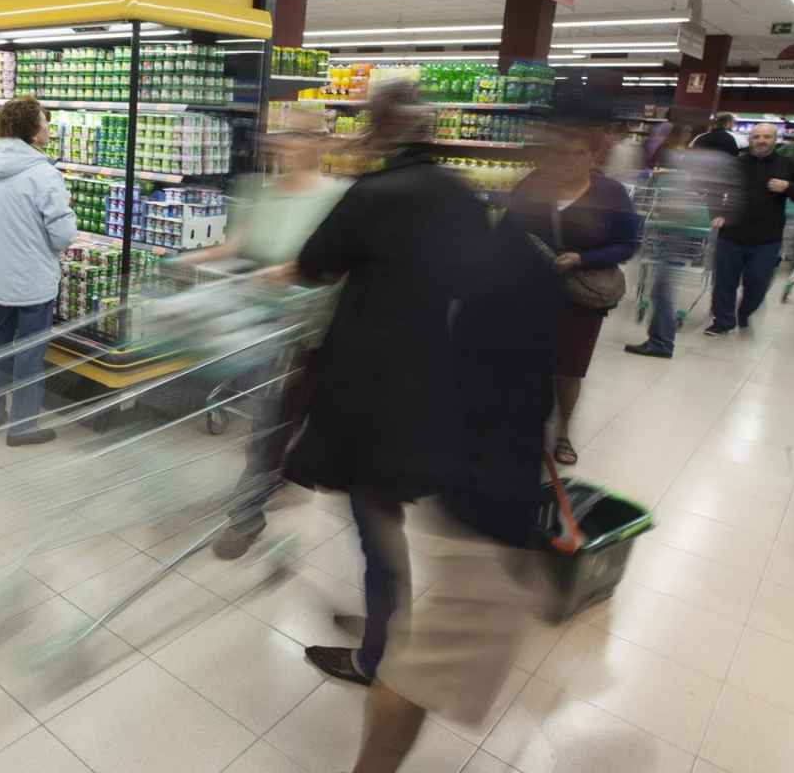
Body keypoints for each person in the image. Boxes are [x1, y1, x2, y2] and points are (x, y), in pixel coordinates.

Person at [285, 82, 492, 687]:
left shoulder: (373, 193)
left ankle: (379, 652)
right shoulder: (463, 193)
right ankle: (384, 617)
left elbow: (315, 263)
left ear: (380, 128)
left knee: (374, 515)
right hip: (434, 375)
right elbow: (478, 278)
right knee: (385, 511)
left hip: (370, 384)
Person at [188, 106, 349, 560]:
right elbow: (236, 244)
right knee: (270, 422)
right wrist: (187, 261)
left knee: (269, 425)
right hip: (255, 325)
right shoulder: (257, 190)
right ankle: (273, 482)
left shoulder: (337, 198)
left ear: (320, 143)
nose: (284, 143)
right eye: (280, 134)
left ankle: (246, 515)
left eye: (297, 135)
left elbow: (341, 260)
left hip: (306, 332)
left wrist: (295, 270)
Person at [505, 126, 640, 464]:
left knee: (569, 369)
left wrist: (584, 258)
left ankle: (563, 431)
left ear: (594, 156)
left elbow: (627, 244)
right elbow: (508, 230)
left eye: (577, 153)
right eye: (560, 152)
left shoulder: (611, 193)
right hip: (529, 290)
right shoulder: (533, 185)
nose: (567, 160)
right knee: (524, 361)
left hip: (580, 296)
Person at [0, 95, 77, 447]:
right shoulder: (43, 174)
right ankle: (23, 426)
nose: (47, 127)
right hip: (32, 282)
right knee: (29, 353)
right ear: (31, 129)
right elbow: (62, 235)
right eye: (43, 121)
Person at [625, 130, 743, 359]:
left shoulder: (702, 161)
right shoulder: (728, 166)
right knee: (662, 285)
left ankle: (661, 342)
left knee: (662, 286)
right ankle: (661, 340)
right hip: (691, 232)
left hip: (676, 230)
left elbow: (682, 194)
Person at [706, 123, 794, 335]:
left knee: (757, 283)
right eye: (756, 137)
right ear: (750, 139)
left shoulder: (789, 165)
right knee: (724, 282)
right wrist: (716, 213)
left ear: (775, 139)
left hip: (767, 237)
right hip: (732, 233)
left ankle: (745, 311)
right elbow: (715, 189)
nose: (761, 140)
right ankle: (723, 322)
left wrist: (788, 187)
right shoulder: (735, 164)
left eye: (766, 136)